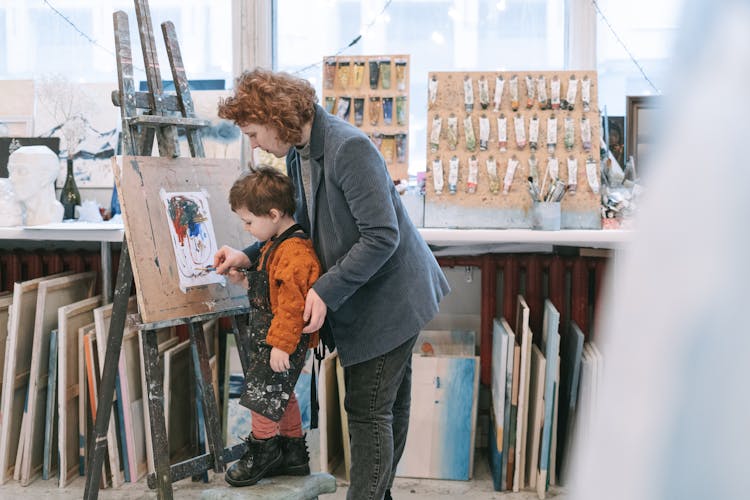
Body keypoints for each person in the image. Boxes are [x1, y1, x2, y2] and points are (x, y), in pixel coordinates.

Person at [214, 68, 450, 500]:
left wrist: (323, 289)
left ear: (276, 116)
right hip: (367, 290)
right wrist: (248, 256)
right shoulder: (298, 153)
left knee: (368, 410)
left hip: (391, 298)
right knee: (383, 408)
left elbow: (382, 235)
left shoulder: (349, 149)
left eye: (252, 132)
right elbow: (299, 223)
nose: (253, 144)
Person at [223, 166, 322, 487]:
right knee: (280, 394)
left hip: (280, 341)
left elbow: (292, 304)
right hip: (272, 336)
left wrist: (282, 345)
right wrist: (245, 279)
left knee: (261, 396)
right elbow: (271, 288)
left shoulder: (294, 251)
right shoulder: (276, 242)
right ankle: (293, 454)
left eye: (249, 221)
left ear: (275, 214)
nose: (246, 228)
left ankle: (263, 451)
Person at [8, 145, 63, 225]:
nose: (11, 179)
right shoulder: (10, 213)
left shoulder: (54, 211)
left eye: (22, 171)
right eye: (10, 171)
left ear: (45, 177)